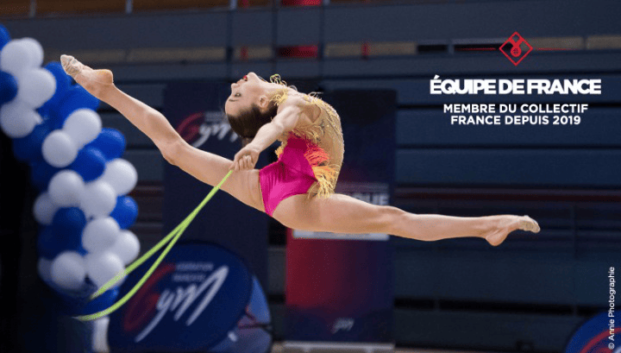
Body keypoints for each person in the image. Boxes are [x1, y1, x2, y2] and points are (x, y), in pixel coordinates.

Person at [60, 55, 540, 246]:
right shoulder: (293, 106)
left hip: (274, 185)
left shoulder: (290, 105)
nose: (235, 82)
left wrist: (259, 147)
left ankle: (107, 92)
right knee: (393, 219)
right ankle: (489, 227)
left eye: (232, 91)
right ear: (261, 102)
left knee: (175, 151)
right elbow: (281, 123)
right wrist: (258, 144)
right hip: (289, 192)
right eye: (236, 93)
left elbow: (280, 125)